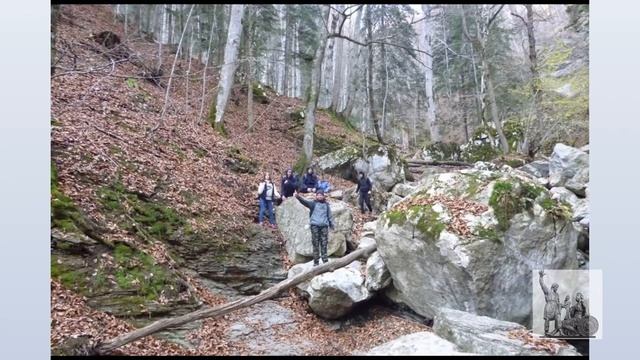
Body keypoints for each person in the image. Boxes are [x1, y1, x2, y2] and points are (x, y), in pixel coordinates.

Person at [295, 190, 334, 266]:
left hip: (324, 226)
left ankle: (325, 260)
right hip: (315, 226)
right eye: (318, 195)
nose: (319, 196)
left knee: (324, 243)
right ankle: (316, 262)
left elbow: (329, 215)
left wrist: (332, 225)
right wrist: (298, 197)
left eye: (321, 195)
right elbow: (304, 202)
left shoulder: (326, 205)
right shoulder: (313, 204)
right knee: (315, 244)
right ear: (316, 196)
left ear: (323, 196)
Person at [539, 270, 562, 336]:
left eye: (557, 288)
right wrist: (541, 277)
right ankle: (546, 332)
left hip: (555, 308)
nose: (557, 289)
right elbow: (542, 285)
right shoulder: (548, 291)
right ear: (553, 287)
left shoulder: (557, 294)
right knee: (547, 319)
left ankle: (555, 331)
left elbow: (558, 302)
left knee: (558, 318)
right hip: (549, 306)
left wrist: (560, 306)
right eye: (556, 287)